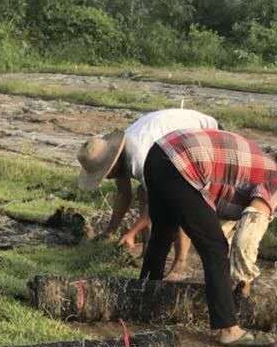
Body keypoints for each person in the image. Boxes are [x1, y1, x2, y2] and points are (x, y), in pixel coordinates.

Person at [139, 128, 277, 347]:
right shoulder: (276, 182)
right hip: (183, 162)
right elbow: (246, 239)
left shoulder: (265, 168)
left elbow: (224, 223)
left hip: (160, 153)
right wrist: (245, 278)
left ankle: (143, 299)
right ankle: (229, 330)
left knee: (163, 233)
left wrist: (225, 272)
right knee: (215, 249)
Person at [77, 107, 219, 274]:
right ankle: (146, 252)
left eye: (105, 172)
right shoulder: (117, 155)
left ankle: (180, 262)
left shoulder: (139, 157)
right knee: (143, 192)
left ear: (112, 163)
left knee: (181, 199)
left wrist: (132, 232)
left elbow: (155, 206)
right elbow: (124, 194)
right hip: (172, 140)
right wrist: (110, 231)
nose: (106, 176)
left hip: (203, 136)